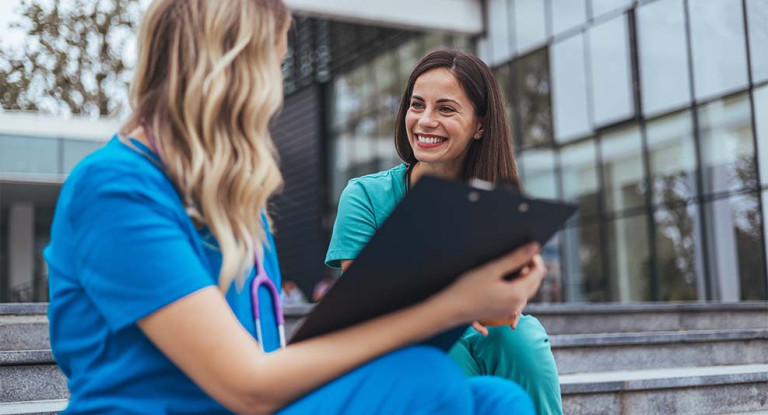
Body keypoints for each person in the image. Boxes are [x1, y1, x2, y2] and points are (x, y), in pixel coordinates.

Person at [44, 1, 547, 413]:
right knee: (427, 378)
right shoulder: (116, 189)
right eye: (273, 67)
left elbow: (272, 358)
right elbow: (248, 386)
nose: (276, 92)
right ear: (226, 70)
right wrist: (455, 304)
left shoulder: (231, 200)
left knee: (499, 401)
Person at [326, 49, 563, 415]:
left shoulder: (498, 208)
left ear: (480, 125)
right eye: (417, 105)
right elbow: (362, 305)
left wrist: (513, 294)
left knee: (522, 339)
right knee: (444, 352)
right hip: (394, 345)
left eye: (446, 109)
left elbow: (500, 314)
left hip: (475, 335)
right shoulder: (365, 196)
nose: (425, 121)